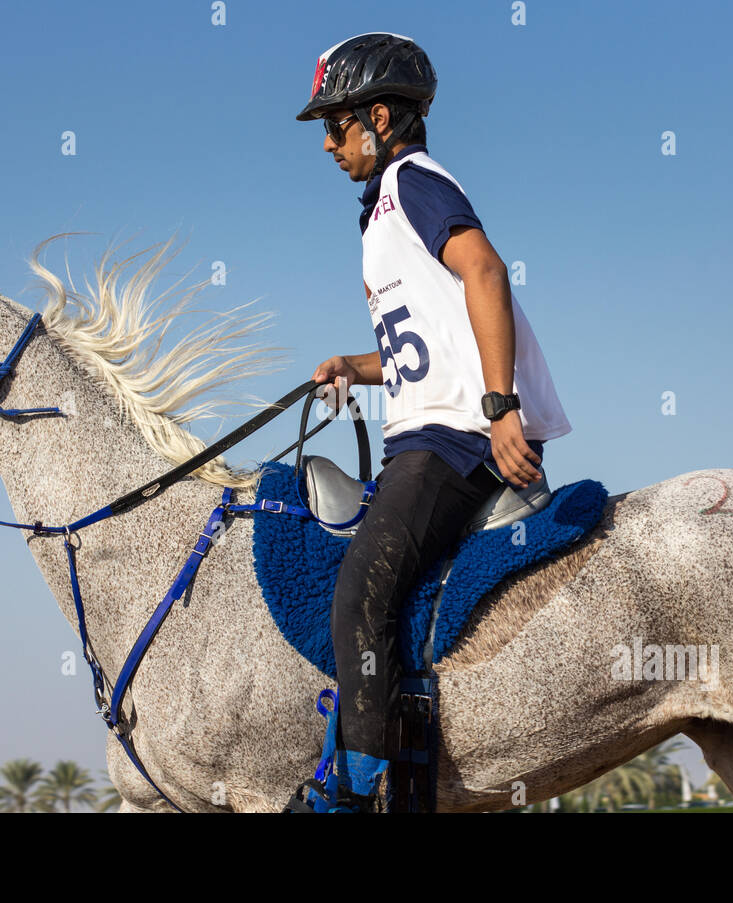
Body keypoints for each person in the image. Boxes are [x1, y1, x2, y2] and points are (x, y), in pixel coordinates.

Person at [296, 32, 572, 811]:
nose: (327, 141)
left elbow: (484, 269)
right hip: (431, 429)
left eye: (337, 121)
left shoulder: (414, 181)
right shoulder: (379, 212)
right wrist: (356, 365)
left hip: (455, 436)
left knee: (360, 594)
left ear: (380, 117)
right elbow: (430, 340)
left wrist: (502, 410)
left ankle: (357, 792)